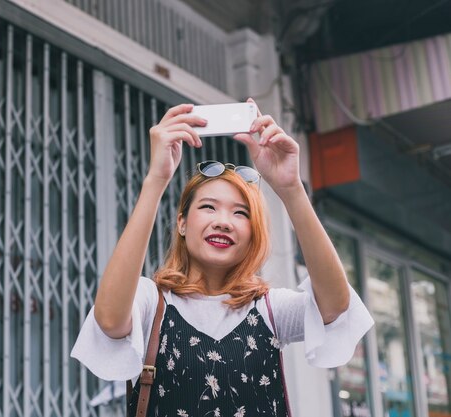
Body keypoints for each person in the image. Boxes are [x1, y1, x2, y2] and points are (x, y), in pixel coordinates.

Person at [71, 99, 374, 416]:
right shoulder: (153, 302)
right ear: (182, 222)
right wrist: (156, 179)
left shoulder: (270, 308)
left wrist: (291, 187)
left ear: (253, 232)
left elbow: (336, 306)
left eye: (240, 213)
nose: (223, 221)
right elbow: (109, 320)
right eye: (208, 207)